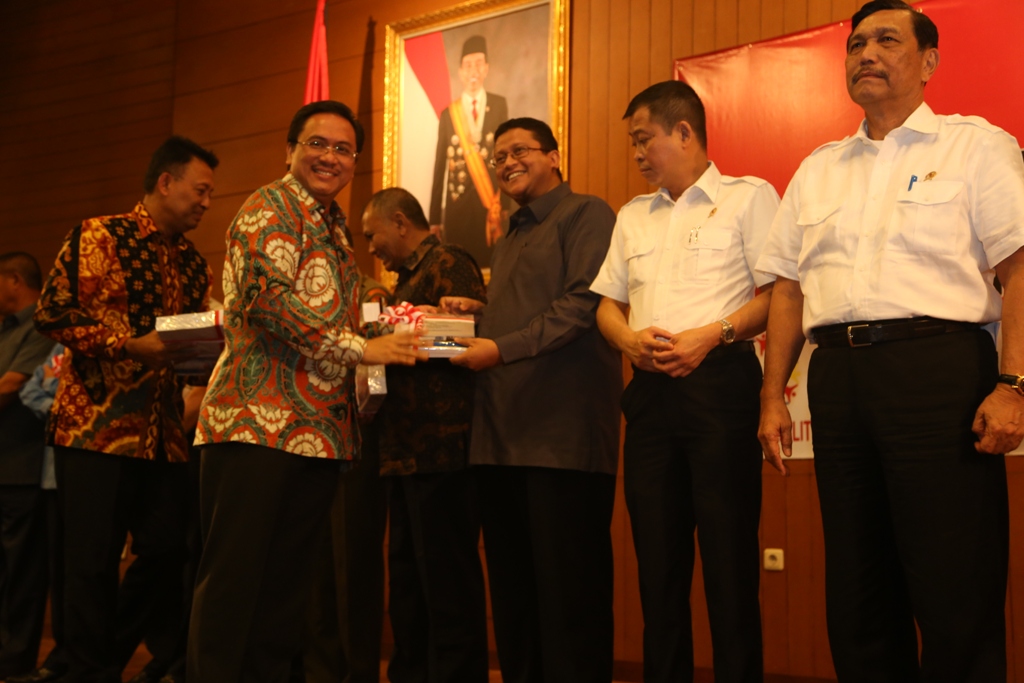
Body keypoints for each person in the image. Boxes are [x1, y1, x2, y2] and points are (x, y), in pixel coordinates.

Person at [756, 2, 1024, 681]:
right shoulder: (818, 167)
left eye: (885, 40)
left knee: (954, 582)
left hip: (937, 373)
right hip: (838, 379)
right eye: (855, 45)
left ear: (929, 62)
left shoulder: (974, 146)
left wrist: (1012, 384)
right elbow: (787, 289)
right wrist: (771, 395)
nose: (865, 54)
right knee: (859, 586)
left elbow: (1019, 269)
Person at [188, 100, 424, 683]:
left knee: (284, 597)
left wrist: (424, 322)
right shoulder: (269, 207)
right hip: (254, 425)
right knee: (235, 587)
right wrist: (361, 349)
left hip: (318, 433)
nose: (330, 157)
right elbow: (267, 302)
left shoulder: (334, 227)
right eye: (317, 143)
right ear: (290, 150)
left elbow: (343, 312)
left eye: (344, 149)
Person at [590, 81, 778, 683]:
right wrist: (627, 341)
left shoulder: (748, 198)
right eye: (632, 143)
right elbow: (607, 305)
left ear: (685, 132)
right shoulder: (632, 216)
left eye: (643, 139)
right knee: (658, 568)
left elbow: (778, 296)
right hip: (650, 396)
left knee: (729, 564)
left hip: (720, 387)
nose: (636, 154)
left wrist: (713, 334)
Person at [33, 136, 219, 683]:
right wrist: (126, 345)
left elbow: (186, 346)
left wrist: (208, 356)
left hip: (163, 434)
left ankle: (101, 659)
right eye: (200, 190)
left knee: (168, 551)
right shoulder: (101, 235)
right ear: (166, 181)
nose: (207, 202)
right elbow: (53, 313)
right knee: (90, 562)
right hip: (94, 427)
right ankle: (88, 670)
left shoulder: (193, 264)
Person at [444, 117, 622, 682]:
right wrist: (479, 316)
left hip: (561, 442)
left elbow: (582, 305)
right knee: (515, 599)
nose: (507, 163)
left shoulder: (586, 214)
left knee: (570, 600)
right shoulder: (509, 236)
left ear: (553, 156)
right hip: (498, 439)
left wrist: (498, 347)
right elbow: (523, 317)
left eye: (519, 150)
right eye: (498, 157)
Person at [363, 187, 489, 682]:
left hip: (442, 450)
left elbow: (464, 341)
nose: (370, 247)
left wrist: (398, 337)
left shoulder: (448, 262)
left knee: (446, 580)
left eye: (372, 235)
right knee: (408, 582)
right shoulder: (401, 284)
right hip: (400, 452)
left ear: (399, 222)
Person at [302, 274, 390, 683]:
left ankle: (357, 671)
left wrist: (365, 408)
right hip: (308, 442)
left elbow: (376, 370)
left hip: (355, 440)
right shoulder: (306, 296)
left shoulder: (369, 294)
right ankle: (320, 671)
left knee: (352, 562)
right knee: (316, 564)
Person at [0, 253, 56, 680]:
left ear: (14, 280)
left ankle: (14, 664)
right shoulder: (6, 328)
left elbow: (11, 385)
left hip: (22, 467)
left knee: (19, 573)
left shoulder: (41, 324)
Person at [12, 343, 66, 683]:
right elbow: (31, 391)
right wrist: (63, 407)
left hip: (89, 471)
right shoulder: (61, 349)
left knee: (82, 572)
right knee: (58, 572)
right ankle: (61, 658)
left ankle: (77, 659)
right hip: (52, 475)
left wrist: (58, 401)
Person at [430, 35, 509, 267]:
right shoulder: (448, 114)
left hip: (491, 207)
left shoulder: (499, 104)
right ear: (460, 72)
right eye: (468, 65)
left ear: (486, 68)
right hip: (458, 208)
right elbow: (439, 168)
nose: (473, 70)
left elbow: (506, 156)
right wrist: (434, 219)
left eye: (478, 64)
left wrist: (505, 205)